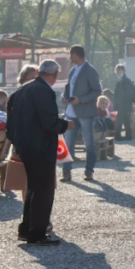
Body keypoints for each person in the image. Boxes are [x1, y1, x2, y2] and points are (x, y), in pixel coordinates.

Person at [6, 60, 74, 246]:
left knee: (33, 189)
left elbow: (10, 115)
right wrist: (65, 125)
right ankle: (37, 233)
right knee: (43, 191)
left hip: (25, 146)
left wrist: (15, 140)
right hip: (40, 147)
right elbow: (49, 122)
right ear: (54, 76)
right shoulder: (44, 91)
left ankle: (26, 229)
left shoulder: (23, 89)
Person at [61, 45, 102, 182]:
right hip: (70, 113)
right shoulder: (73, 71)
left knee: (89, 143)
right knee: (68, 144)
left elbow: (97, 91)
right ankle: (66, 172)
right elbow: (69, 88)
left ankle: (89, 171)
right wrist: (65, 96)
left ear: (75, 55)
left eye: (70, 55)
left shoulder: (90, 71)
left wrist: (81, 100)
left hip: (85, 113)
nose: (69, 58)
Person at [112, 64, 135, 140]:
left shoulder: (125, 80)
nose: (116, 72)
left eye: (117, 70)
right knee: (125, 120)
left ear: (121, 71)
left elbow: (128, 92)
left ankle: (119, 136)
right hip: (124, 104)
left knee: (120, 120)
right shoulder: (123, 80)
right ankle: (128, 136)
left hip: (123, 104)